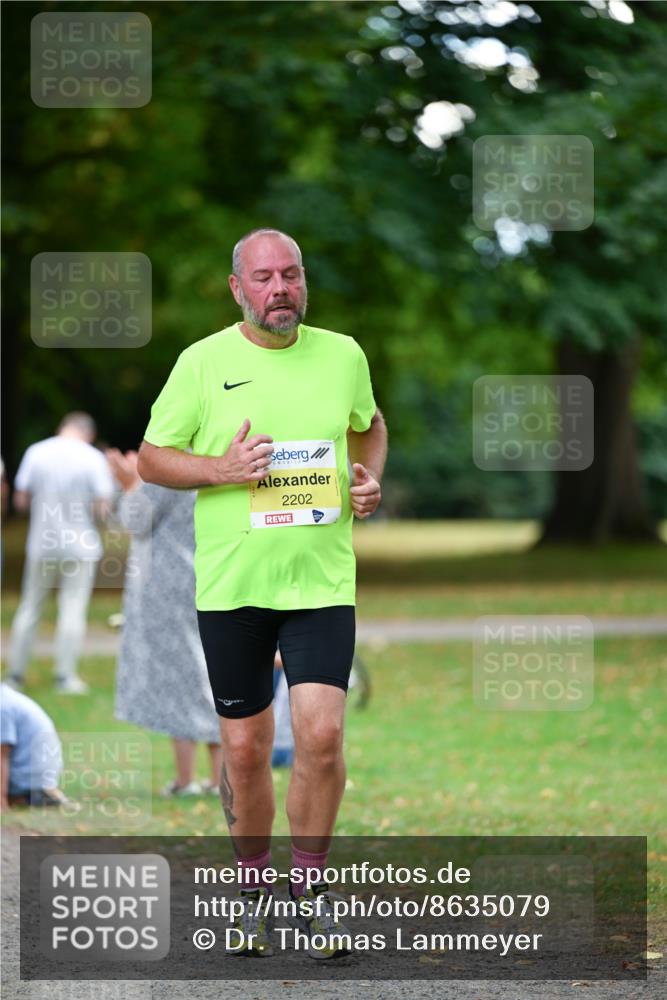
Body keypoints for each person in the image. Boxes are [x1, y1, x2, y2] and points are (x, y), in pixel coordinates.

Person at [137, 228, 387, 959]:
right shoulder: (202, 362)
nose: (280, 288)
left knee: (322, 735)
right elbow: (153, 457)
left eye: (290, 275)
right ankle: (251, 890)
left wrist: (369, 480)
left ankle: (308, 893)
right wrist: (220, 470)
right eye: (264, 277)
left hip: (319, 581)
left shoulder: (343, 354)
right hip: (234, 588)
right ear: (237, 287)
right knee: (244, 752)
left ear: (303, 281)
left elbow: (368, 429)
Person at [107, 447, 222, 796]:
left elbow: (137, 520)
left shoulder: (174, 466)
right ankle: (209, 779)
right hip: (204, 573)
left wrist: (129, 484)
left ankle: (194, 779)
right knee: (205, 673)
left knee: (184, 678)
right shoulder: (213, 455)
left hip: (168, 582)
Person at [7, 413, 115, 694]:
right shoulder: (92, 458)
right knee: (73, 608)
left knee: (30, 606)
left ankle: (15, 673)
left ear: (62, 427)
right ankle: (65, 676)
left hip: (42, 542)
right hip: (80, 544)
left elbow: (20, 500)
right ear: (88, 433)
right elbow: (103, 505)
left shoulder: (36, 452)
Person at [0, 682, 68, 808]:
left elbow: (1, 755)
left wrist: (1, 800)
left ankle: (24, 797)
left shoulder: (2, 707)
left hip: (27, 783)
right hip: (40, 782)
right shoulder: (7, 698)